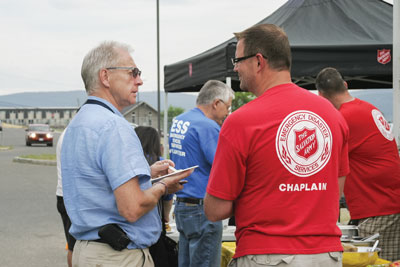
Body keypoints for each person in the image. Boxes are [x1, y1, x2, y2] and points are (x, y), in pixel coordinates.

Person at [204, 24, 350, 267]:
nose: (235, 67)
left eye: (238, 60)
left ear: (259, 61)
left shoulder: (240, 121)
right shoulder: (333, 115)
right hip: (327, 255)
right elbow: (336, 191)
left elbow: (215, 209)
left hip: (267, 255)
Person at [61, 41, 192, 267]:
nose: (139, 80)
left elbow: (98, 182)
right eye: (133, 72)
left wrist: (146, 175)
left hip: (88, 250)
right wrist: (164, 186)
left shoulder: (79, 123)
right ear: (105, 77)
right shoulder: (114, 126)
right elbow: (132, 208)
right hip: (117, 256)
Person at [316, 67, 400, 261]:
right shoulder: (369, 108)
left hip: (380, 209)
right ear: (345, 85)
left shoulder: (344, 118)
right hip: (388, 203)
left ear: (321, 96)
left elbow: (324, 163)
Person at [169, 79, 234, 267]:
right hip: (202, 208)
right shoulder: (207, 126)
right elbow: (223, 166)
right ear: (216, 103)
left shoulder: (180, 120)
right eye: (227, 107)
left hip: (182, 205)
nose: (227, 113)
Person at [55, 128, 75, 267]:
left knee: (73, 244)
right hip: (71, 197)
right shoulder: (72, 134)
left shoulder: (68, 132)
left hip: (65, 195)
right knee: (74, 246)